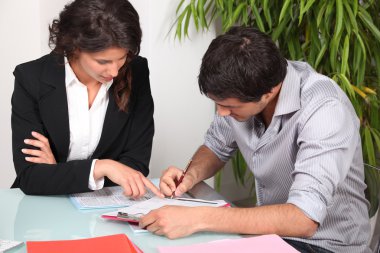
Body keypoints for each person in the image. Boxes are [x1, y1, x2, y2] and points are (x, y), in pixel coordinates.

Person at [140, 27, 371, 253]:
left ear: (269, 92)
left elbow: (304, 218)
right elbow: (215, 146)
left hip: (326, 245)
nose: (221, 113)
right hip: (271, 237)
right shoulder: (245, 89)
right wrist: (190, 175)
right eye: (217, 104)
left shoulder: (324, 110)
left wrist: (198, 219)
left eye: (229, 106)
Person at [11, 0, 163, 198]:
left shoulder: (137, 70)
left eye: (122, 58)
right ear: (74, 46)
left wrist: (57, 172)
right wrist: (102, 167)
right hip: (41, 209)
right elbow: (30, 177)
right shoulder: (31, 77)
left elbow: (135, 166)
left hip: (104, 210)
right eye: (103, 61)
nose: (115, 71)